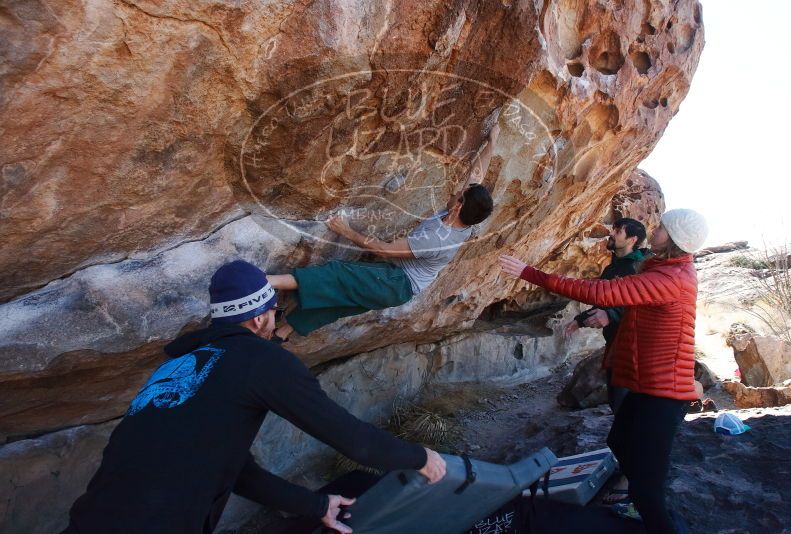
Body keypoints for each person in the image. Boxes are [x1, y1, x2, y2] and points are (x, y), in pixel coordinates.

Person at [62, 260, 446, 534]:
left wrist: (317, 506)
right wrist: (420, 457)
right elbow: (354, 440)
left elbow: (237, 472)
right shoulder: (262, 361)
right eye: (275, 311)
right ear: (260, 318)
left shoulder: (180, 365)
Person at [499, 209, 708, 534]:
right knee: (620, 439)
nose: (655, 230)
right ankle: (638, 496)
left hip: (664, 394)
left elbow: (602, 294)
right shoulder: (666, 269)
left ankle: (651, 515)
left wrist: (530, 273)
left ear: (675, 239)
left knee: (647, 492)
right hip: (647, 387)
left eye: (662, 228)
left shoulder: (669, 279)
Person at [269, 125, 498, 342]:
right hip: (397, 287)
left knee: (338, 275)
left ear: (459, 206)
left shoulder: (437, 240)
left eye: (459, 193)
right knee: (337, 302)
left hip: (396, 282)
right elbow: (477, 175)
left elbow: (382, 248)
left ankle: (266, 284)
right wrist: (492, 140)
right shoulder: (463, 220)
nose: (455, 190)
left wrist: (343, 229)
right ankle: (280, 334)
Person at [562, 217, 650, 504]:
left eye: (618, 230)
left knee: (630, 414)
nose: (612, 234)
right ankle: (628, 465)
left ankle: (631, 479)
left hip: (634, 352)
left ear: (633, 238)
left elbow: (642, 306)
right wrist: (580, 319)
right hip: (615, 348)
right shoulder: (614, 268)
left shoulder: (642, 266)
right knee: (618, 407)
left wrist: (610, 316)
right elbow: (602, 299)